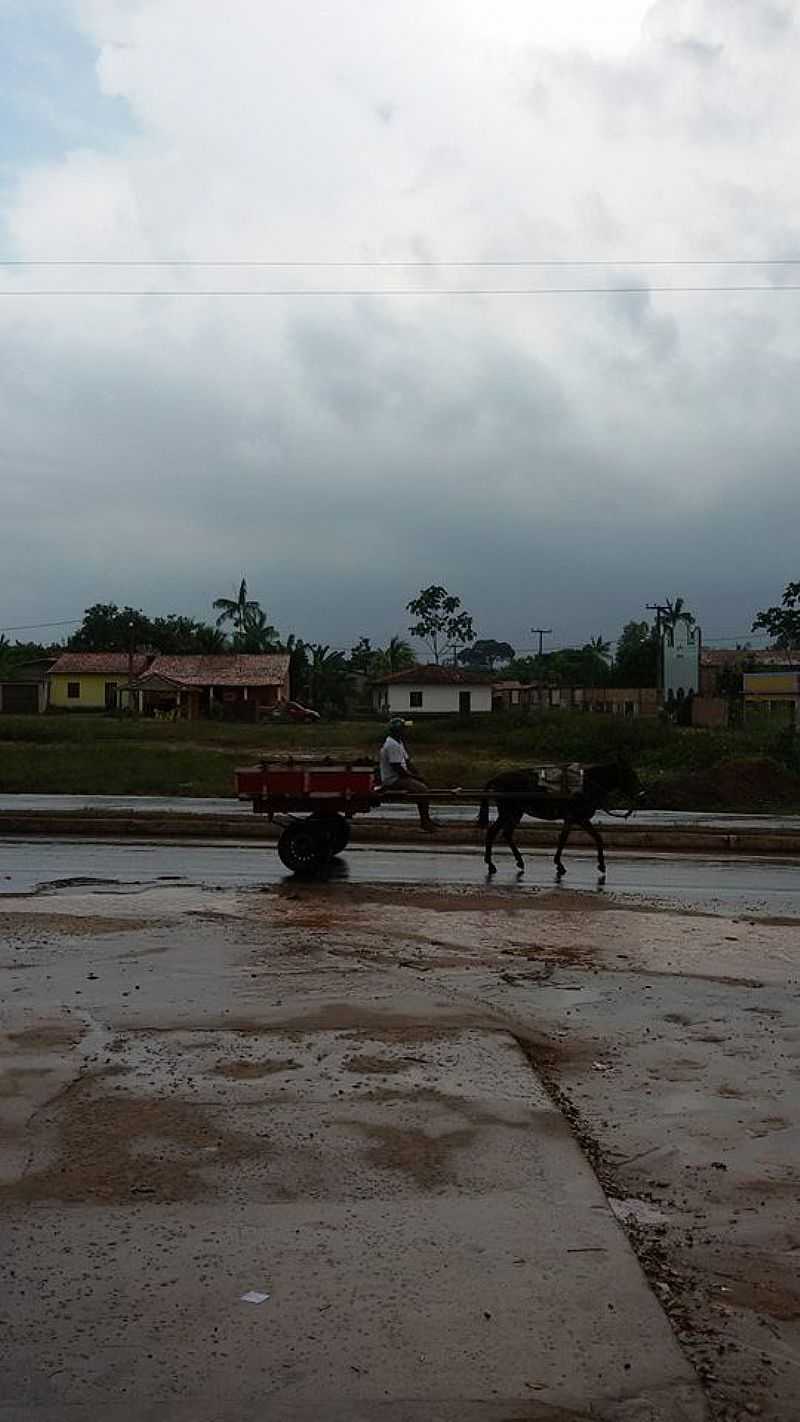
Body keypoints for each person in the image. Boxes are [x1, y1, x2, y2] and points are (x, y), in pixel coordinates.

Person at [378, 718, 438, 831]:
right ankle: (425, 822)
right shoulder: (392, 745)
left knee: (422, 786)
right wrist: (414, 777)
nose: (406, 731)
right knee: (422, 790)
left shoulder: (398, 742)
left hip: (399, 777)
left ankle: (426, 819)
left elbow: (407, 762)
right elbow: (397, 768)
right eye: (404, 729)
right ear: (398, 730)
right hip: (393, 779)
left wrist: (418, 775)